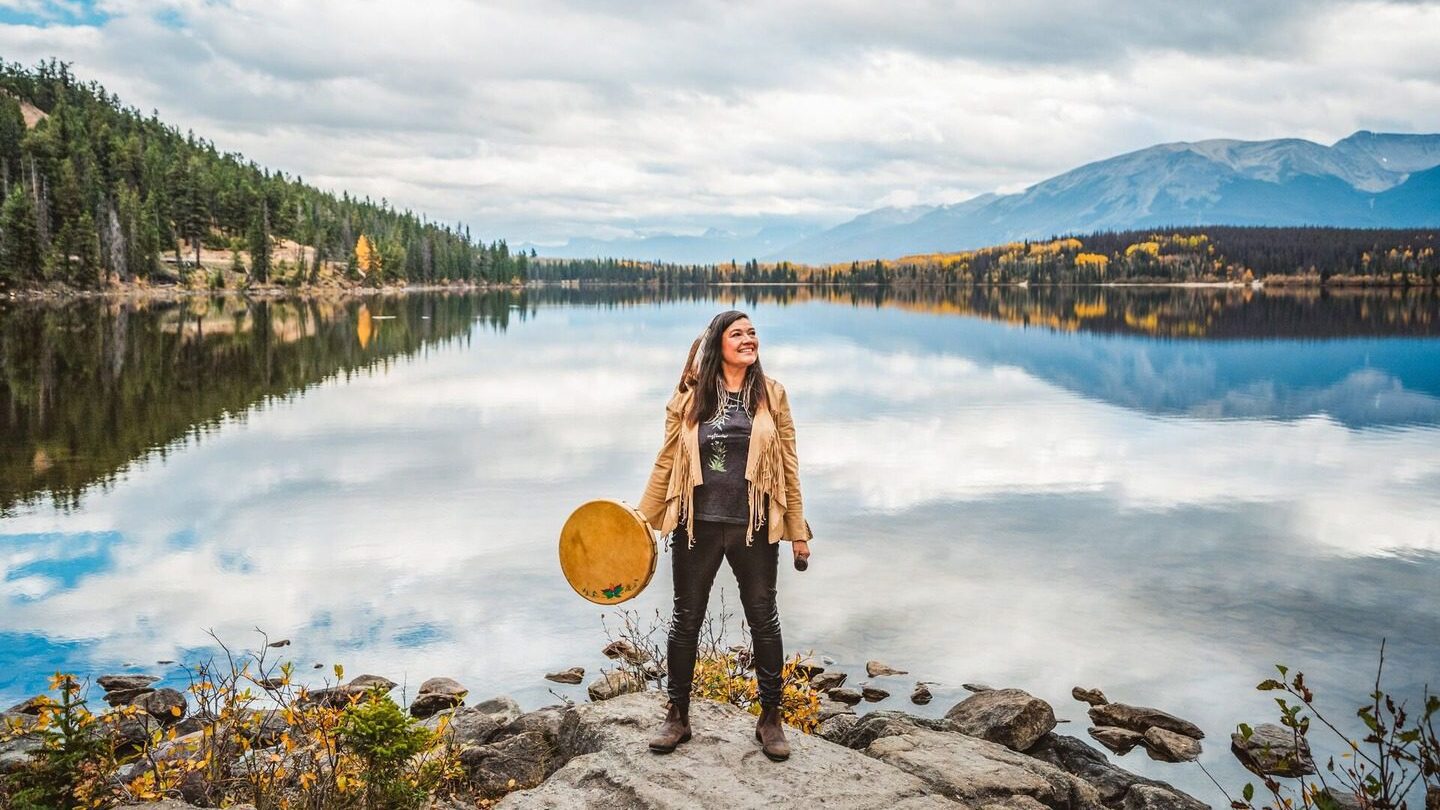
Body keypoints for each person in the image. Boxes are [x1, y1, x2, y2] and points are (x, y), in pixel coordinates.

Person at [637, 309, 812, 762]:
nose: (749, 339)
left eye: (752, 332)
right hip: (696, 524)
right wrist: (640, 519)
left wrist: (797, 530)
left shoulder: (772, 394)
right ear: (719, 344)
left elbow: (788, 464)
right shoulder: (690, 397)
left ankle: (770, 718)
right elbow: (667, 458)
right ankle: (677, 715)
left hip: (754, 526)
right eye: (738, 334)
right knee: (686, 619)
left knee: (763, 619)